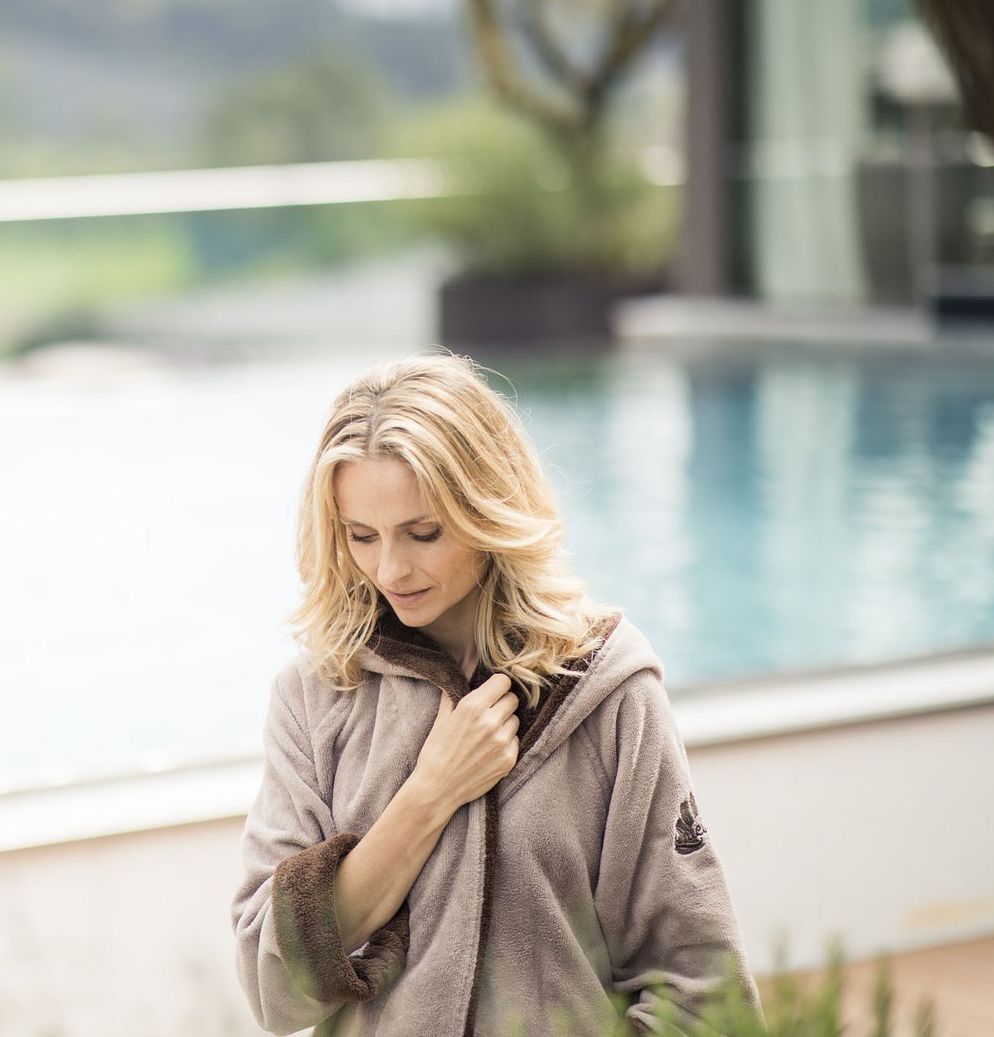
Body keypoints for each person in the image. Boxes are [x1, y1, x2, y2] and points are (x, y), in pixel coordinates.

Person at [229, 352, 760, 1037]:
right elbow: (274, 990)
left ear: (489, 508)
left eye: (424, 533)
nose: (391, 568)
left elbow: (704, 991)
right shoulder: (315, 695)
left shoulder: (607, 690)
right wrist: (430, 793)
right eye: (362, 536)